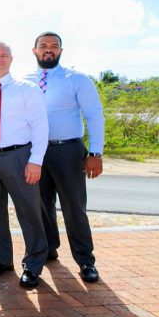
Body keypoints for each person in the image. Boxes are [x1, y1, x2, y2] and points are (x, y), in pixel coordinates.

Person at [27, 32, 104, 283]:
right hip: (35, 153)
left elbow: (94, 115)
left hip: (68, 151)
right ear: (34, 50)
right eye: (43, 46)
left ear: (60, 51)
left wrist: (95, 152)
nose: (48, 49)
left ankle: (86, 261)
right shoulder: (24, 82)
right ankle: (48, 250)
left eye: (54, 46)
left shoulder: (77, 79)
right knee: (40, 206)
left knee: (74, 208)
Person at [0, 42, 50, 289]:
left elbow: (40, 126)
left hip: (19, 156)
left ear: (11, 59)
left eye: (3, 55)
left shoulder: (27, 89)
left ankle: (33, 264)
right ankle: (2, 259)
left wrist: (36, 160)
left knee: (28, 211)